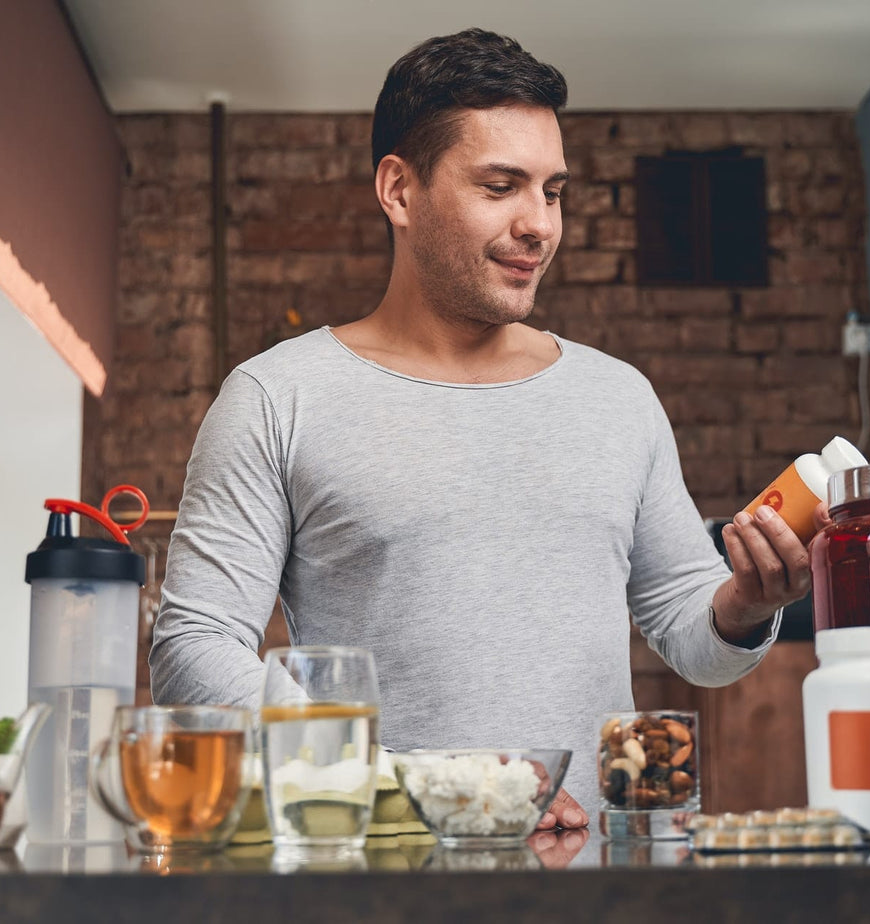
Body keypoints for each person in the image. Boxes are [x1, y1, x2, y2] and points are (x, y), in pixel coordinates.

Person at [150, 28, 829, 826]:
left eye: (552, 190)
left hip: (593, 880)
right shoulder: (277, 396)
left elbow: (688, 631)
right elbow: (192, 652)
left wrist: (745, 605)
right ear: (399, 191)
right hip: (381, 877)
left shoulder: (618, 398)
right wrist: (416, 789)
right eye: (500, 185)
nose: (539, 223)